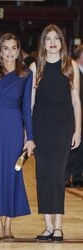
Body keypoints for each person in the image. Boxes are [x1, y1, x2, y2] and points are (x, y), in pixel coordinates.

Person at [0, 33, 35, 240]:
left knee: (13, 175)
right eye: (6, 48)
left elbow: (26, 110)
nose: (10, 52)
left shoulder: (25, 75)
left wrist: (30, 137)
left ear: (18, 51)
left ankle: (9, 225)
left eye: (13, 48)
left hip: (13, 129)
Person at [30, 24, 81, 242]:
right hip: (41, 128)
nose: (52, 42)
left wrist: (78, 129)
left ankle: (58, 227)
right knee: (43, 176)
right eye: (48, 38)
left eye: (56, 38)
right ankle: (48, 226)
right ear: (43, 43)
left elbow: (76, 100)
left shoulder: (70, 66)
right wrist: (28, 134)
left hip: (63, 128)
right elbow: (30, 105)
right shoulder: (36, 67)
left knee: (58, 177)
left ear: (62, 42)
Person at [65, 44, 83, 188]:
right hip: (72, 114)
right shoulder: (71, 69)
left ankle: (77, 177)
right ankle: (65, 177)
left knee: (81, 148)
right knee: (71, 147)